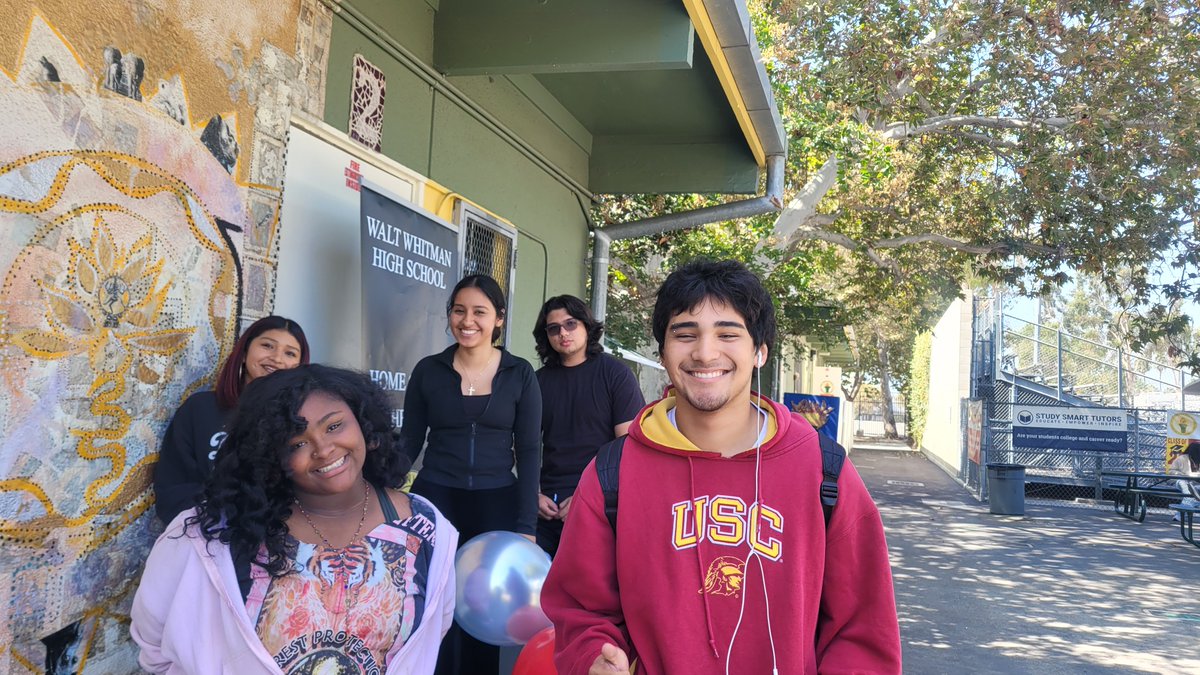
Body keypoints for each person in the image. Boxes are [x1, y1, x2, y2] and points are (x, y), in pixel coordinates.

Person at [542, 259, 902, 675]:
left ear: (759, 351)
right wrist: (593, 657)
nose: (705, 352)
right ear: (663, 352)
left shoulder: (824, 469)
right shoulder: (613, 472)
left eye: (728, 333)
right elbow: (578, 608)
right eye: (685, 334)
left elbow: (862, 629)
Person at [131, 365, 458, 674]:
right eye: (297, 442)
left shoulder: (427, 528)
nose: (324, 449)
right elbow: (154, 641)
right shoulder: (210, 535)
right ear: (270, 456)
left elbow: (430, 633)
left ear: (364, 423)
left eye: (334, 426)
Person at [401, 274, 541, 674]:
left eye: (480, 312)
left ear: (498, 319)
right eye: (459, 311)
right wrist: (378, 490)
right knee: (435, 607)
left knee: (482, 605)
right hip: (436, 499)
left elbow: (530, 451)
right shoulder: (429, 371)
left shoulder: (520, 374)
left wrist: (526, 525)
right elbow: (410, 441)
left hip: (497, 503)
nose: (468, 321)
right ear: (449, 316)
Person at [153, 315, 309, 524]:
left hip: (277, 539)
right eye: (267, 346)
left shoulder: (303, 419)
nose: (277, 358)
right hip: (206, 538)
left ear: (299, 366)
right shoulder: (200, 409)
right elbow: (173, 490)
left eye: (290, 353)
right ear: (244, 352)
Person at [532, 295, 644, 557]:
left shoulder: (615, 375)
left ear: (586, 326)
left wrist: (591, 496)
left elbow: (627, 449)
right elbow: (521, 443)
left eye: (571, 324)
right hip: (546, 506)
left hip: (600, 503)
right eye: (554, 328)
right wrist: (531, 494)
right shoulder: (537, 382)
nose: (563, 333)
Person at [1168, 441, 1200, 516]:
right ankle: (1193, 500)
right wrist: (1183, 475)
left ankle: (1179, 515)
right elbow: (1171, 471)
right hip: (1179, 480)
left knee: (1194, 489)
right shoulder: (1181, 459)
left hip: (1194, 483)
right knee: (1184, 484)